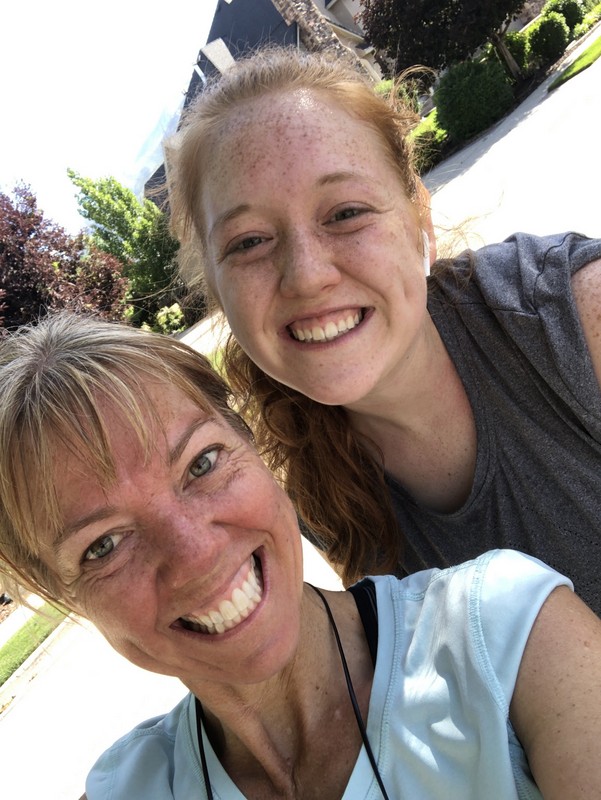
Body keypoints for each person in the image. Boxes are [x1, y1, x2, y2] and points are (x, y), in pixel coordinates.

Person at [2, 313, 601, 799]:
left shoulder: (509, 637)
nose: (197, 555)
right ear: (60, 591)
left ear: (251, 444)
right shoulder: (128, 790)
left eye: (202, 463)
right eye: (104, 545)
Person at [166, 46, 601, 610]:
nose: (307, 276)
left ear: (419, 217)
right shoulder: (311, 492)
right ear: (218, 292)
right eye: (249, 242)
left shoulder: (571, 316)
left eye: (345, 213)